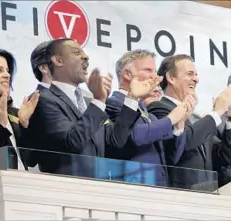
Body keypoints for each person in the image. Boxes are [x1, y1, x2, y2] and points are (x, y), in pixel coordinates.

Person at [26, 39, 150, 176]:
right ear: (58, 61)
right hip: (67, 189)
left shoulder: (88, 100)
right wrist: (98, 100)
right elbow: (72, 143)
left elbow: (115, 141)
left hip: (99, 188)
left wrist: (132, 98)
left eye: (84, 52)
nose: (85, 56)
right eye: (76, 52)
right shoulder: (43, 99)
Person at [148, 54, 231, 189]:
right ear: (171, 78)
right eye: (190, 74)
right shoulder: (158, 108)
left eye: (196, 74)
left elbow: (225, 157)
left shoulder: (198, 118)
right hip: (178, 194)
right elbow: (184, 142)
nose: (196, 79)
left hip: (207, 194)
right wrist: (217, 112)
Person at [106, 49, 189, 186]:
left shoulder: (149, 114)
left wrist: (179, 126)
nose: (155, 77)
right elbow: (135, 135)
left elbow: (171, 158)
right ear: (127, 74)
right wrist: (171, 119)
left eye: (155, 71)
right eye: (148, 70)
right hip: (134, 187)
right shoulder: (113, 102)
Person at [0, 49, 39, 170]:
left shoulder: (14, 113)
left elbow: (31, 160)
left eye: (8, 70)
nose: (7, 75)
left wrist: (25, 125)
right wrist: (0, 125)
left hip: (20, 184)